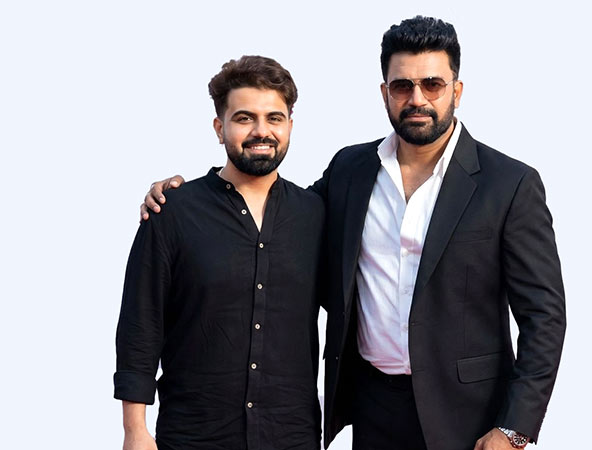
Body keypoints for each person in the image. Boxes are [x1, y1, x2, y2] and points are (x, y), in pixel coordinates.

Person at [142, 16, 566, 450]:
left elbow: (544, 317)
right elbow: (273, 215)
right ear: (384, 93)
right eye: (402, 86)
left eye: (432, 85)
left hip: (469, 415)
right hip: (372, 408)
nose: (417, 99)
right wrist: (194, 197)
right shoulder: (350, 170)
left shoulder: (509, 184)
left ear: (456, 91)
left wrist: (513, 428)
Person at [115, 55, 325, 450]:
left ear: (290, 126)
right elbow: (140, 324)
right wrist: (135, 430)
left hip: (290, 436)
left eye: (274, 118)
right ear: (219, 127)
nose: (261, 131)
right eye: (244, 118)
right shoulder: (173, 212)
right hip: (193, 436)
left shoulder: (316, 214)